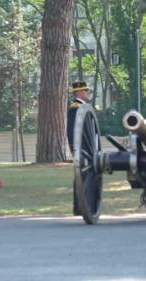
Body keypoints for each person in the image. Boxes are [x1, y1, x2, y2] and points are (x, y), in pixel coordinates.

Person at [66, 81, 90, 215]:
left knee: (84, 176)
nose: (87, 93)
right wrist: (74, 147)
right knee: (81, 176)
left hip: (85, 148)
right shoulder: (76, 107)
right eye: (85, 91)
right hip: (81, 147)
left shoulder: (83, 106)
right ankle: (79, 206)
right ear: (79, 92)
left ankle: (83, 205)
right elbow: (71, 130)